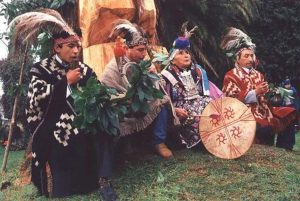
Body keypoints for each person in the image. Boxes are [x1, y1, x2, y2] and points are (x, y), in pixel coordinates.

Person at [17, 12, 117, 200]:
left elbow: (98, 90)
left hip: (83, 120)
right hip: (53, 124)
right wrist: (66, 82)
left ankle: (104, 178)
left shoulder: (84, 69)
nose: (76, 51)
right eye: (71, 46)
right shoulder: (40, 69)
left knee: (104, 126)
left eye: (78, 46)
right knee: (68, 132)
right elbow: (35, 98)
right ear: (57, 47)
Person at [101, 20, 173, 158]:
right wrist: (126, 100)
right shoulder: (113, 67)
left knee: (162, 102)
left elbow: (157, 88)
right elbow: (108, 92)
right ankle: (127, 143)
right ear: (127, 48)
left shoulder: (142, 63)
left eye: (145, 49)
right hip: (122, 106)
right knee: (118, 112)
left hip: (141, 103)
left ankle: (159, 142)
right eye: (140, 50)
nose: (144, 54)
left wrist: (153, 75)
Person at [221, 27, 297, 150]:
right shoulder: (231, 75)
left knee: (289, 113)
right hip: (244, 114)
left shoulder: (258, 74)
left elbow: (265, 97)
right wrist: (255, 92)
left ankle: (285, 148)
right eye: (246, 56)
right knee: (263, 128)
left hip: (264, 110)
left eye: (252, 56)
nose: (250, 59)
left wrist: (273, 94)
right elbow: (230, 102)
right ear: (237, 59)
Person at [161, 36, 222, 148]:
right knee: (199, 115)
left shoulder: (198, 71)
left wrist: (221, 101)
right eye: (181, 53)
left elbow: (211, 90)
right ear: (173, 59)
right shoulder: (166, 76)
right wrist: (174, 110)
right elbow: (163, 100)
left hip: (201, 102)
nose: (186, 55)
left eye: (187, 52)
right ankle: (204, 142)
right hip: (183, 109)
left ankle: (219, 138)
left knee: (214, 108)